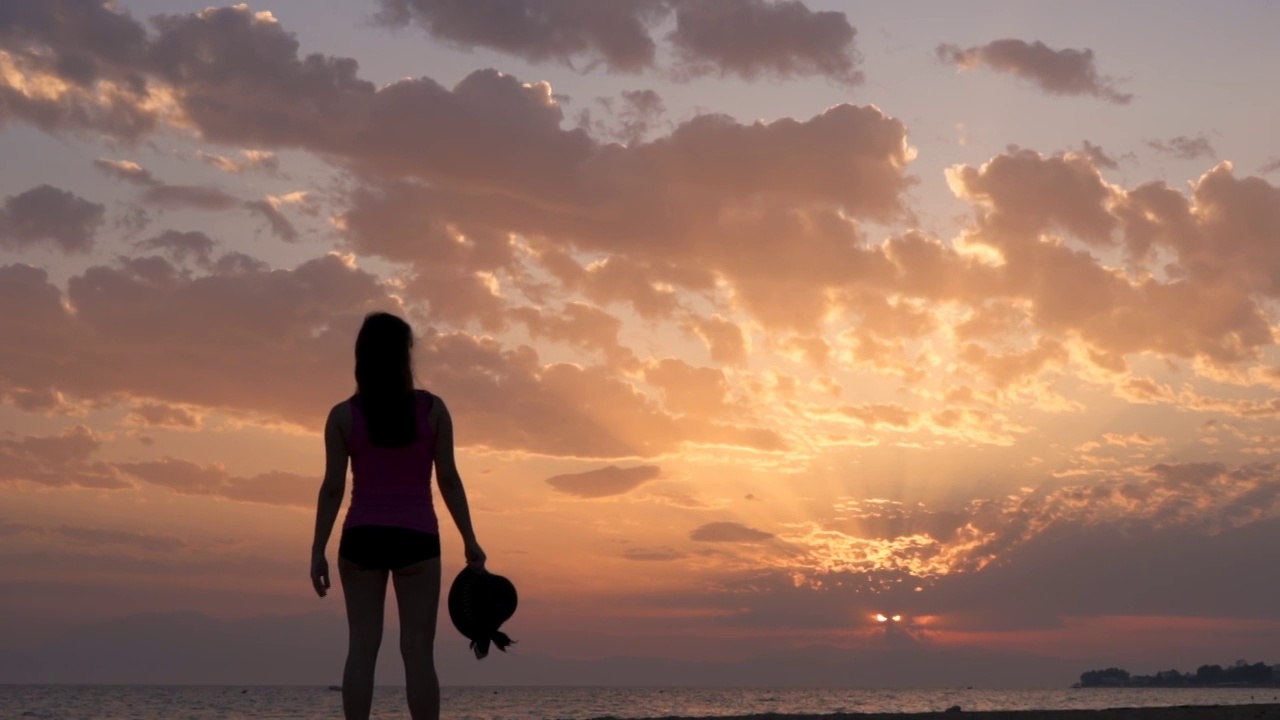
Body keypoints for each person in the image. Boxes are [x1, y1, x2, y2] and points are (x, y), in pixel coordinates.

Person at [310, 311, 486, 720]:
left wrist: (318, 549)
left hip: (361, 538)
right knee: (418, 650)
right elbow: (450, 480)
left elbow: (333, 487)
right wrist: (470, 538)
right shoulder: (433, 410)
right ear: (405, 356)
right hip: (417, 540)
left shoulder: (342, 416)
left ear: (362, 357)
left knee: (361, 648)